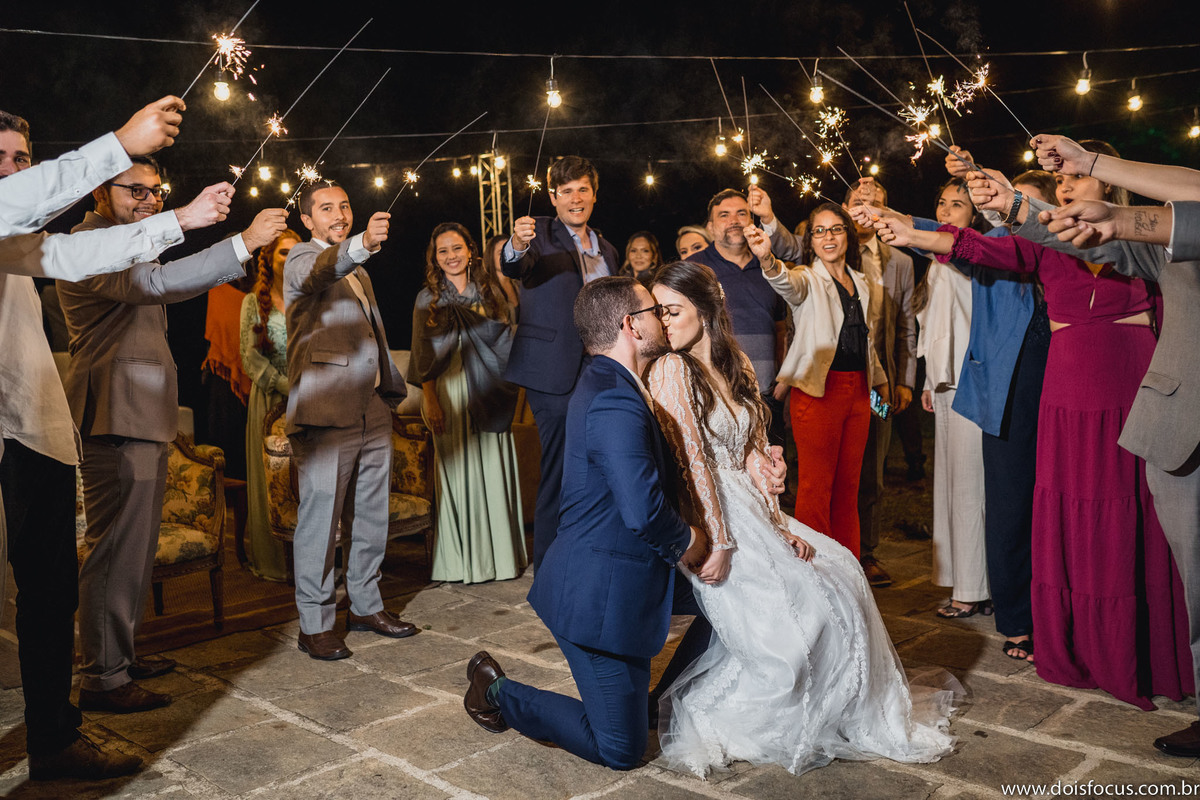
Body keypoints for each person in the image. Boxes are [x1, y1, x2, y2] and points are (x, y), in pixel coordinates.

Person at [873, 152, 1193, 711]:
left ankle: (1150, 647)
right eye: (1062, 181)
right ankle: (1080, 641)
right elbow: (974, 244)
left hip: (1133, 374)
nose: (1066, 187)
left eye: (1076, 178)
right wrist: (913, 231)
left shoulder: (1142, 235)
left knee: (1139, 505)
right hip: (1069, 382)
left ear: (1110, 185)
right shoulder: (1042, 239)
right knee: (1074, 506)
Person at [647, 260, 957, 777]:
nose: (664, 321)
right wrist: (720, 541)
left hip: (750, 502)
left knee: (842, 570)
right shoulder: (671, 369)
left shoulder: (736, 363)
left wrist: (768, 474)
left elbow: (745, 441)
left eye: (672, 310)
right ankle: (726, 715)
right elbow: (693, 466)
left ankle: (843, 709)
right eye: (657, 311)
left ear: (706, 309)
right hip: (709, 511)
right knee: (799, 619)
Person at [0, 98, 225, 781]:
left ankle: (53, 738)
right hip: (95, 415)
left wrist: (182, 220)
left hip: (29, 419)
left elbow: (71, 251)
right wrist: (118, 141)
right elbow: (139, 276)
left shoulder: (19, 240)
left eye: (18, 159)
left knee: (48, 587)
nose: (11, 171)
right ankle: (101, 672)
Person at [59, 155, 288, 714]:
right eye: (134, 191)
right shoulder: (87, 243)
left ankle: (121, 653)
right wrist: (242, 242)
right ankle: (101, 676)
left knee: (134, 549)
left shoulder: (130, 240)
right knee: (113, 549)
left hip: (143, 413)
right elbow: (158, 284)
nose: (148, 201)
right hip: (114, 413)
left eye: (155, 192)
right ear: (99, 193)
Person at [462, 276, 712, 770]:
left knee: (728, 602)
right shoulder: (613, 399)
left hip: (628, 573)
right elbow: (643, 511)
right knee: (619, 749)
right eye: (653, 311)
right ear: (630, 326)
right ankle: (496, 690)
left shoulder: (611, 381)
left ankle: (654, 703)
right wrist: (691, 541)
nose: (662, 318)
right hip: (596, 597)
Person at [1006, 133, 1200, 755]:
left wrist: (1096, 169)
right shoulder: (1164, 235)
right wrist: (1007, 206)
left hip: (1134, 380)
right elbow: (1095, 236)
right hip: (1182, 416)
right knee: (1195, 567)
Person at [751, 179, 916, 586]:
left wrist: (878, 387)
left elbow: (867, 343)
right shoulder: (807, 276)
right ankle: (814, 576)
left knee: (850, 486)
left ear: (848, 235)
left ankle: (849, 571)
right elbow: (785, 282)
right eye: (819, 230)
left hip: (859, 393)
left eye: (836, 228)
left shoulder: (860, 282)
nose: (828, 236)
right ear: (811, 239)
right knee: (815, 487)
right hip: (817, 393)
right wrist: (767, 258)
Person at [284, 181, 417, 660]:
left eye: (344, 205)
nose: (338, 213)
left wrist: (388, 391)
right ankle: (315, 623)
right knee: (321, 524)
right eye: (326, 208)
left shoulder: (358, 271)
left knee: (371, 515)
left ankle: (365, 605)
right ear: (308, 219)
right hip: (325, 412)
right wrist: (359, 243)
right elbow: (320, 271)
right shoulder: (301, 259)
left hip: (373, 408)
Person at [501, 155, 619, 570]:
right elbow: (513, 263)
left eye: (582, 189)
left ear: (594, 194)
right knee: (559, 462)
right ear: (552, 197)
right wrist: (515, 242)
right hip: (551, 371)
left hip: (602, 370)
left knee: (601, 460)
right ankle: (548, 564)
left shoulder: (607, 248)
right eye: (565, 190)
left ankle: (589, 552)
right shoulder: (538, 235)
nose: (575, 198)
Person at [409, 222, 526, 584]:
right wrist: (430, 399)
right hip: (449, 392)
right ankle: (460, 564)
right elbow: (421, 356)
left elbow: (508, 342)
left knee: (493, 468)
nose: (451, 257)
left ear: (470, 250)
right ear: (435, 258)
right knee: (456, 473)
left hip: (489, 391)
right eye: (443, 251)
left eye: (456, 248)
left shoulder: (490, 291)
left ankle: (501, 560)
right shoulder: (426, 299)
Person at [688, 189, 787, 447]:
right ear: (710, 228)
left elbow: (782, 328)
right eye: (724, 215)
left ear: (752, 221)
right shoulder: (694, 269)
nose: (733, 220)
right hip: (715, 396)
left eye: (741, 213)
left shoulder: (770, 265)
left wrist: (784, 377)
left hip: (767, 394)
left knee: (773, 476)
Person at [239, 228, 301, 582]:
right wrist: (284, 385)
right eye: (282, 253)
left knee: (305, 482)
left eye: (296, 252)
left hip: (309, 399)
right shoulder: (253, 302)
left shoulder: (309, 297)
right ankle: (275, 562)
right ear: (269, 259)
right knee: (271, 481)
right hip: (270, 400)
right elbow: (250, 360)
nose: (290, 260)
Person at [484, 234, 520, 310]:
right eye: (501, 253)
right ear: (491, 257)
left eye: (510, 251)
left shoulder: (519, 283)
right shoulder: (485, 290)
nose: (507, 256)